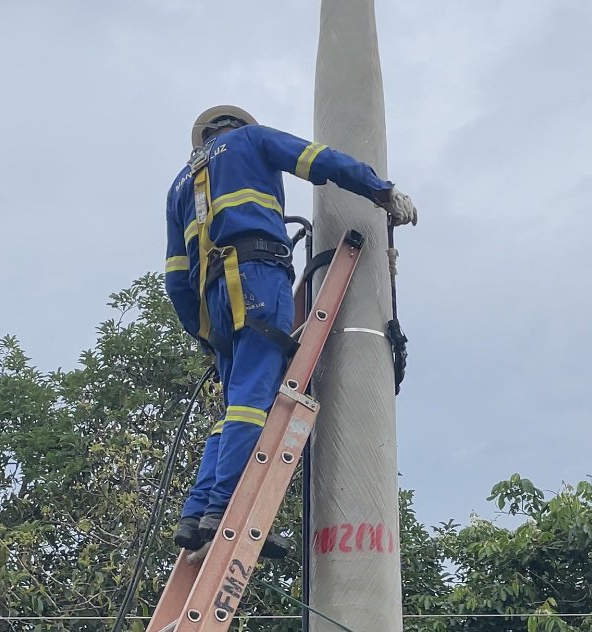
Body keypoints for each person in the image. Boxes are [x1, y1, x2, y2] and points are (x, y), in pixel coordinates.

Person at [163, 105, 418, 555]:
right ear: (240, 126)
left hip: (215, 301)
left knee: (234, 409)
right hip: (258, 274)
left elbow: (177, 277)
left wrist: (205, 333)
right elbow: (317, 159)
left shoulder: (180, 186)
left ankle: (197, 513)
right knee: (253, 402)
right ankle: (225, 511)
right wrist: (380, 189)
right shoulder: (250, 142)